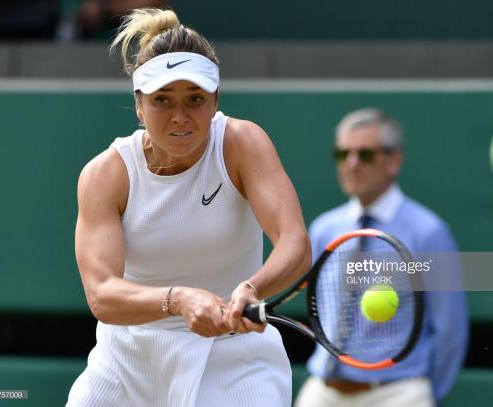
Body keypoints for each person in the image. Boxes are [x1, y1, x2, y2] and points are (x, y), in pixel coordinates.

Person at [66, 7, 311, 407]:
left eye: (195, 98)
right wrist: (177, 300)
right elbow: (102, 295)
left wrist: (252, 288)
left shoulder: (241, 143)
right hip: (127, 362)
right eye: (163, 100)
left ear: (214, 100)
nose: (180, 117)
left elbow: (294, 243)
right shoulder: (105, 174)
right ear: (139, 106)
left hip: (236, 359)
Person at [294, 108, 468, 407]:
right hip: (322, 391)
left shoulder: (428, 232)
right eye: (342, 154)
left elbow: (450, 329)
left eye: (365, 155)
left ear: (394, 161)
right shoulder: (324, 229)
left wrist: (420, 395)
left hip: (397, 394)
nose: (351, 164)